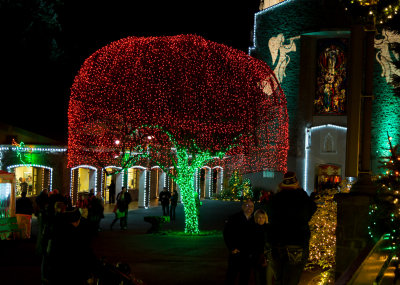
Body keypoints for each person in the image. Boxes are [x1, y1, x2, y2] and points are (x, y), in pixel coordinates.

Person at [266, 171, 317, 285]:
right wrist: (301, 191)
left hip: (276, 242)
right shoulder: (302, 197)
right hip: (296, 242)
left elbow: (269, 213)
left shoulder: (275, 198)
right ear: (296, 184)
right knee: (292, 279)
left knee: (279, 278)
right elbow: (312, 208)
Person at [223, 198, 257, 285]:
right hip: (236, 252)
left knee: (245, 277)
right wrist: (232, 248)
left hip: (248, 254)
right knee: (231, 276)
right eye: (247, 205)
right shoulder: (234, 218)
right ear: (242, 207)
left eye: (252, 206)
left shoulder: (255, 219)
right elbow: (227, 234)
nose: (249, 208)